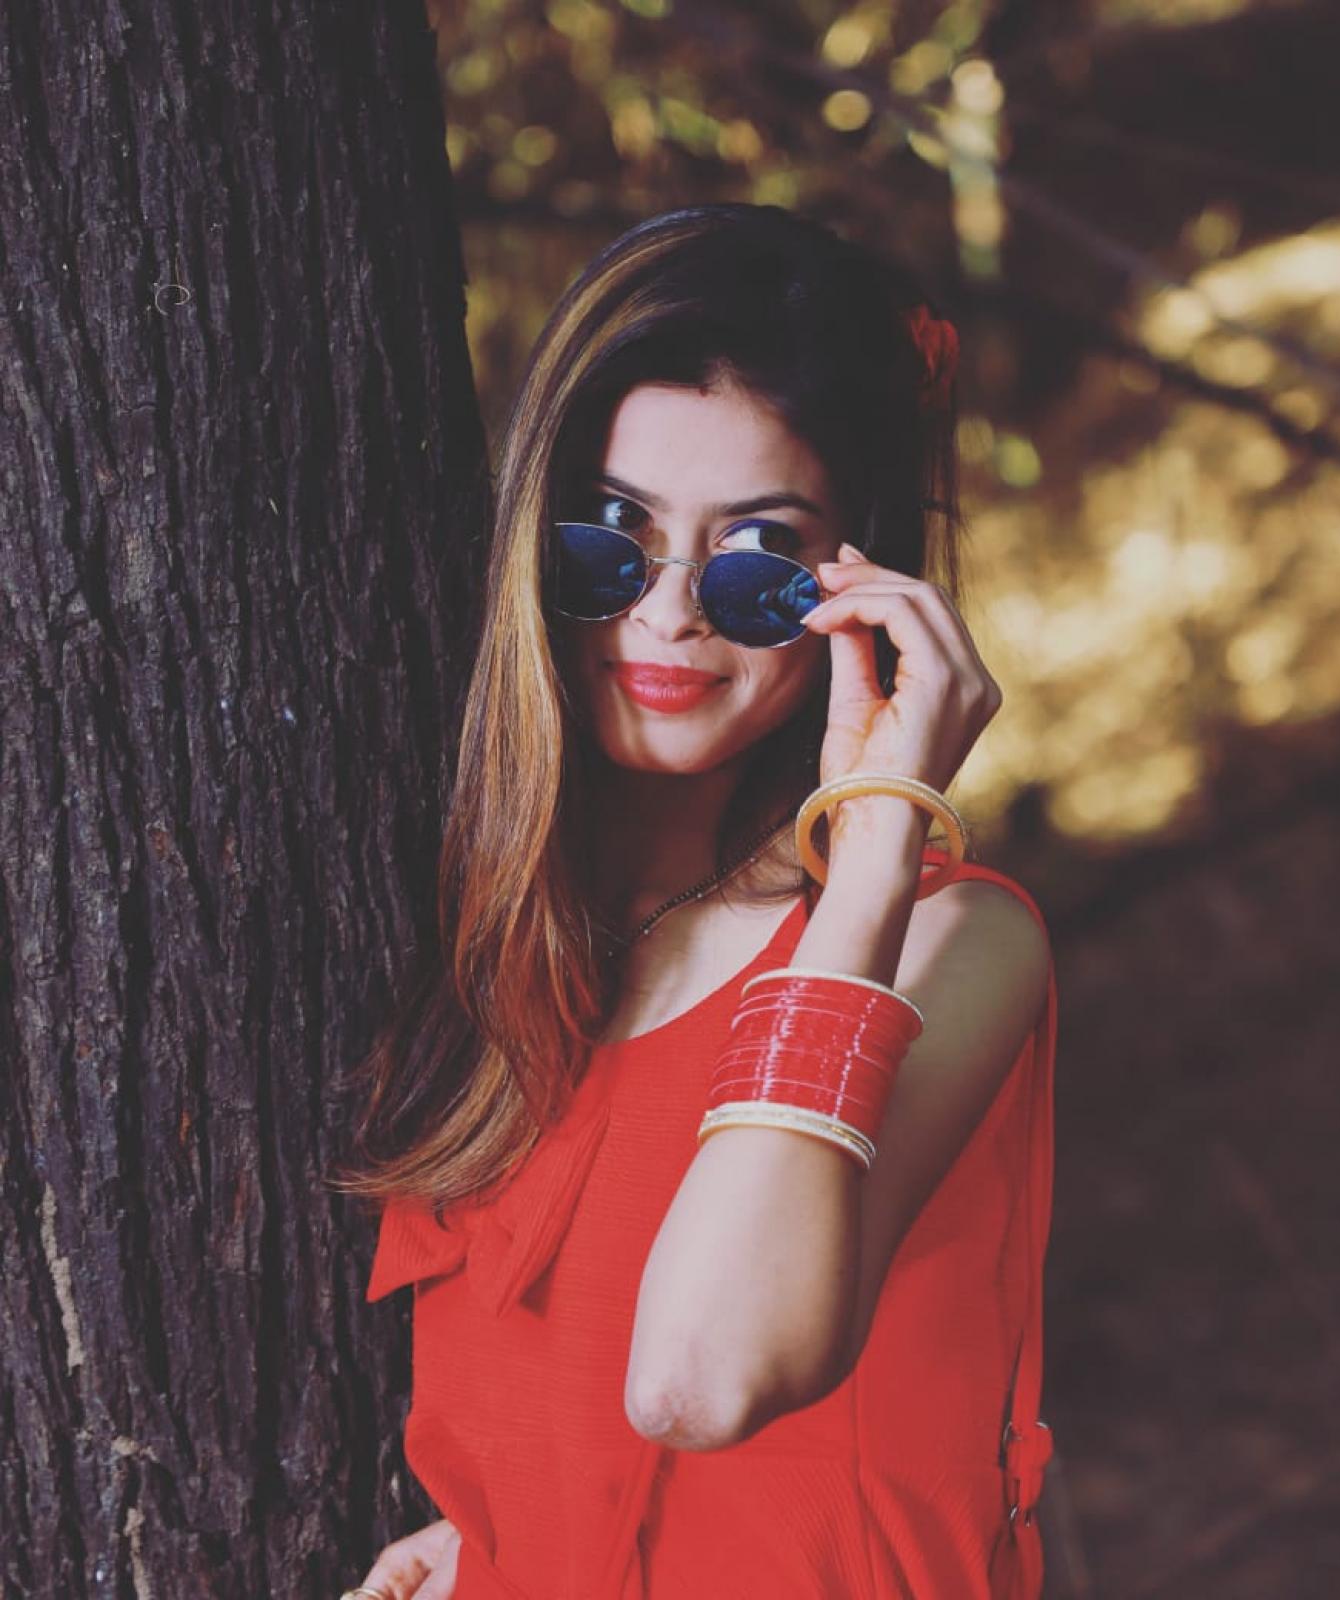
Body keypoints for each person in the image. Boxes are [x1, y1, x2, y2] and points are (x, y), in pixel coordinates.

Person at [332, 202, 1059, 1599]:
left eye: (756, 560)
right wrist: (483, 1551)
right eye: (609, 535)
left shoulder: (949, 942)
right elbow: (588, 1452)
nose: (668, 616)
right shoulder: (508, 946)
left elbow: (699, 1383)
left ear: (861, 584)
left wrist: (875, 840)